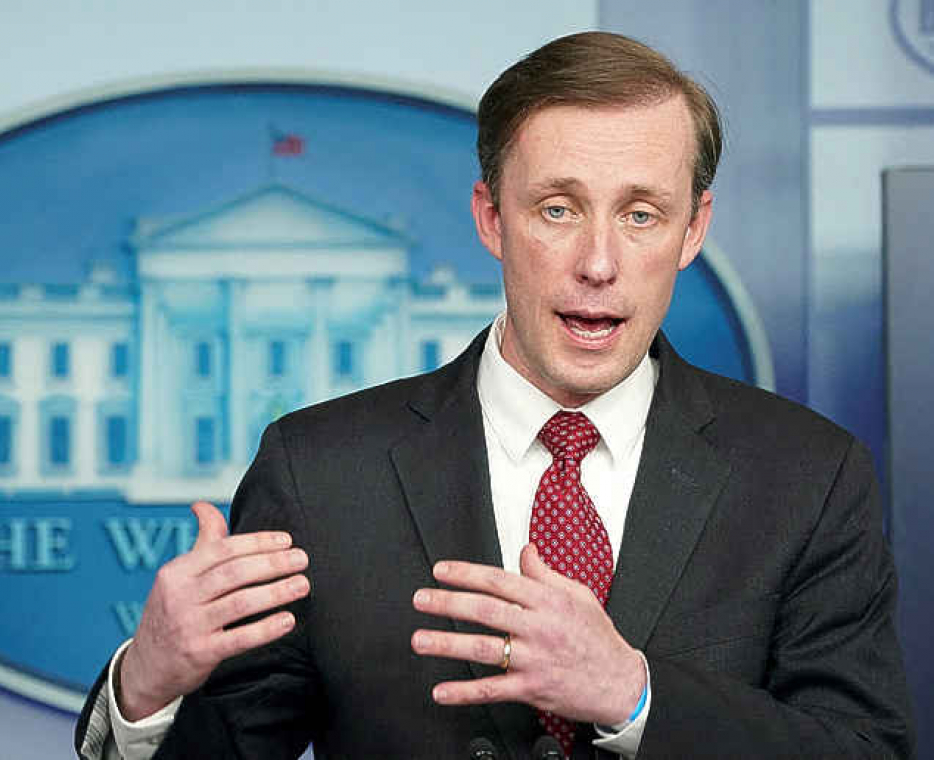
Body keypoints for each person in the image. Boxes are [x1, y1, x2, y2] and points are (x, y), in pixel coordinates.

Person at [75, 31, 913, 759]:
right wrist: (145, 686)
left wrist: (635, 698)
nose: (598, 263)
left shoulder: (808, 477)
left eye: (641, 215)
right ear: (490, 218)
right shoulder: (320, 472)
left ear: (693, 229)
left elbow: (863, 750)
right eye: (557, 209)